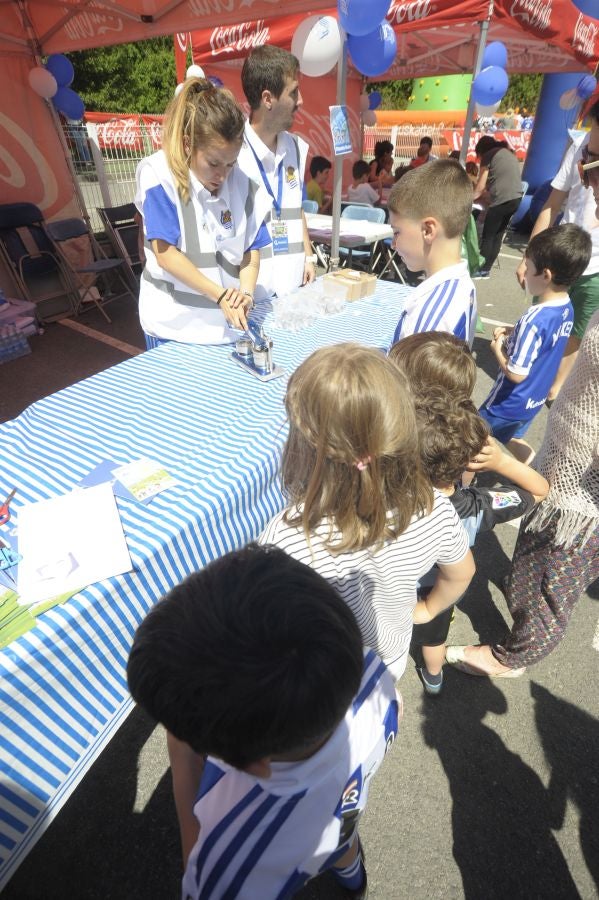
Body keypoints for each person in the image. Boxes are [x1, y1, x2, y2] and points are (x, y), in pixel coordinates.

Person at [127, 543, 401, 899]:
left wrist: (182, 762)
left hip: (286, 852)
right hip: (344, 805)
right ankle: (354, 880)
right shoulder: (372, 673)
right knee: (343, 837)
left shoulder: (235, 860)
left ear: (253, 765)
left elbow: (205, 882)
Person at [259, 343, 475, 681]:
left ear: (304, 443)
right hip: (389, 657)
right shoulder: (433, 504)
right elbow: (462, 572)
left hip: (329, 675)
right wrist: (427, 610)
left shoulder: (289, 541)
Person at [447, 307, 599, 678]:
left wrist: (505, 463)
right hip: (563, 460)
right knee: (535, 544)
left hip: (584, 498)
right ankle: (521, 590)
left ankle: (513, 656)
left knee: (553, 580)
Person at [409, 389, 548, 694]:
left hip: (389, 588)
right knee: (434, 641)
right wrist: (501, 462)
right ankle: (433, 678)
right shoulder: (475, 506)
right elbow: (539, 490)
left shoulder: (385, 491)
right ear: (468, 463)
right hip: (438, 592)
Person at [135, 78, 271, 348]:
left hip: (226, 327)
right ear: (188, 144)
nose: (222, 175)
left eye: (230, 164)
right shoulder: (159, 175)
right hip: (172, 328)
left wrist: (246, 294)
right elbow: (165, 254)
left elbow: (251, 250)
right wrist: (220, 296)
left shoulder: (243, 183)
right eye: (213, 163)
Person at [479, 223, 591, 463]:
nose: (524, 274)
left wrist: (497, 348)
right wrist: (514, 331)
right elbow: (546, 341)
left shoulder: (534, 319)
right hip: (534, 399)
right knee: (511, 436)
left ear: (546, 275)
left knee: (474, 438)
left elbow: (516, 373)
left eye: (528, 268)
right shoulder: (566, 306)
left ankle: (461, 482)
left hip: (508, 402)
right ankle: (533, 468)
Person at [516, 99, 599, 404]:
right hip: (562, 254)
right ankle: (531, 377)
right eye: (587, 161)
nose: (589, 182)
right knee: (544, 321)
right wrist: (530, 256)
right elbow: (552, 206)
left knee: (578, 330)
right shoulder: (580, 148)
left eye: (595, 166)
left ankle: (556, 387)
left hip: (595, 270)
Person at [237, 46, 316, 301]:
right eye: (293, 92)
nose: (300, 101)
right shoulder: (233, 154)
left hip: (293, 290)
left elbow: (296, 208)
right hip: (253, 297)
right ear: (268, 99)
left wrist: (308, 256)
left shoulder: (296, 147)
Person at [387, 159, 477, 347]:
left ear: (428, 230)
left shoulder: (428, 320)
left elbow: (407, 368)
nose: (393, 245)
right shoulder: (462, 284)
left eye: (397, 232)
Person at [471, 136, 523, 279]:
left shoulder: (489, 155)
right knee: (497, 235)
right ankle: (486, 270)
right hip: (516, 198)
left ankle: (479, 269)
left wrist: (468, 200)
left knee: (488, 236)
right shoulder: (507, 153)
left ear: (481, 150)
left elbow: (480, 187)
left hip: (501, 199)